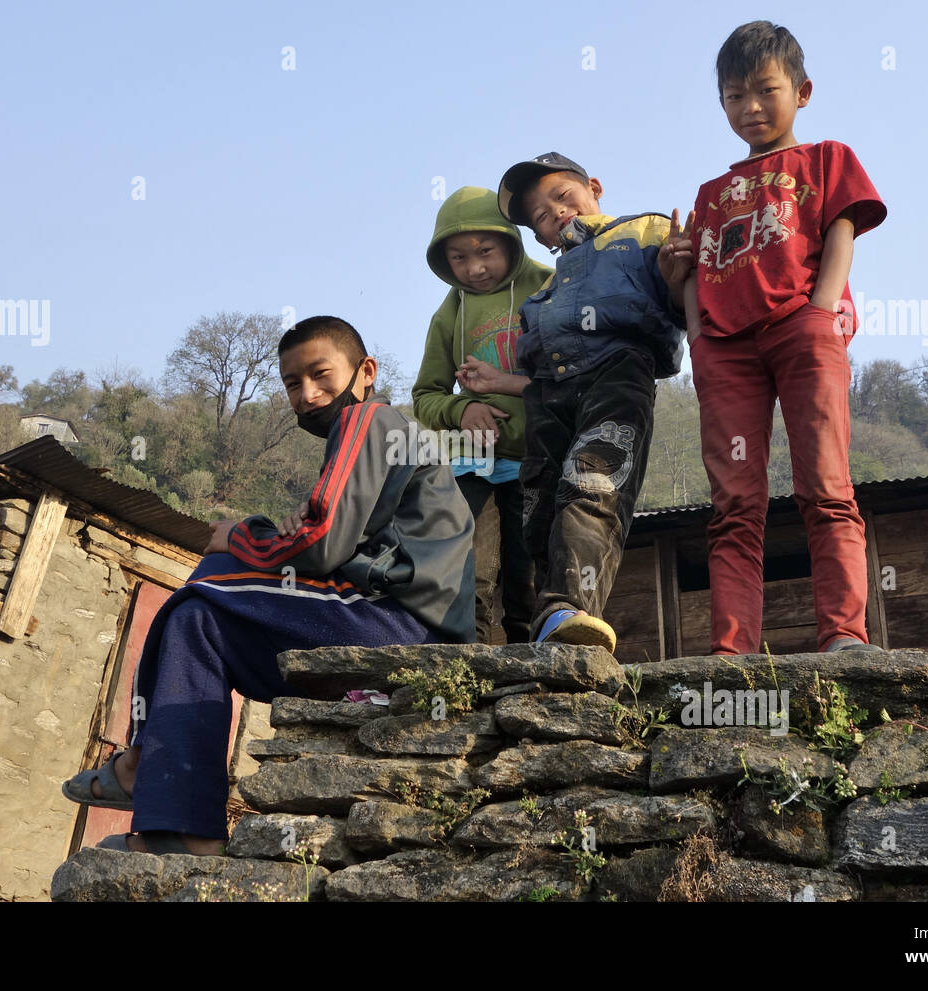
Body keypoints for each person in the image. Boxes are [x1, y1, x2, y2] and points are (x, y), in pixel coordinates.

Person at [62, 315, 475, 854]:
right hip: (396, 623)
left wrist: (240, 536)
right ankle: (181, 834)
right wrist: (289, 531)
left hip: (399, 620)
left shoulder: (369, 421)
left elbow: (322, 543)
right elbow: (331, 536)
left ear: (366, 371)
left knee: (205, 583)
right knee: (198, 622)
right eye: (291, 384)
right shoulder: (380, 438)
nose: (307, 393)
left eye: (321, 374)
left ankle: (142, 766)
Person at [661, 21, 887, 655]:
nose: (750, 108)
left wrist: (819, 310)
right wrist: (695, 322)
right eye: (734, 96)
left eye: (765, 91)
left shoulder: (827, 159)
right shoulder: (711, 195)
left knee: (826, 486)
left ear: (803, 91)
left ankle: (843, 634)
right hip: (725, 350)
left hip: (801, 329)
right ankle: (734, 651)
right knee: (734, 505)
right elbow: (695, 275)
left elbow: (841, 232)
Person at [495, 153, 685, 653]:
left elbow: (684, 301)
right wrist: (498, 380)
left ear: (594, 187)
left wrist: (676, 270)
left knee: (592, 482)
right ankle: (548, 621)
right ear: (539, 238)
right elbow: (533, 367)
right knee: (537, 505)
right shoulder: (546, 290)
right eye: (540, 214)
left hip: (618, 372)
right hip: (550, 396)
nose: (554, 212)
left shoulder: (644, 230)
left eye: (562, 196)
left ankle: (571, 606)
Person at [411, 186, 553, 644]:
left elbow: (572, 375)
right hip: (472, 464)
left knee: (526, 566)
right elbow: (425, 395)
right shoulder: (449, 312)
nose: (474, 268)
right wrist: (464, 406)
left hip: (537, 457)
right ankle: (463, 663)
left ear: (511, 241)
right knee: (467, 563)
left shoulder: (550, 287)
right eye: (458, 258)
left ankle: (530, 666)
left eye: (486, 251)